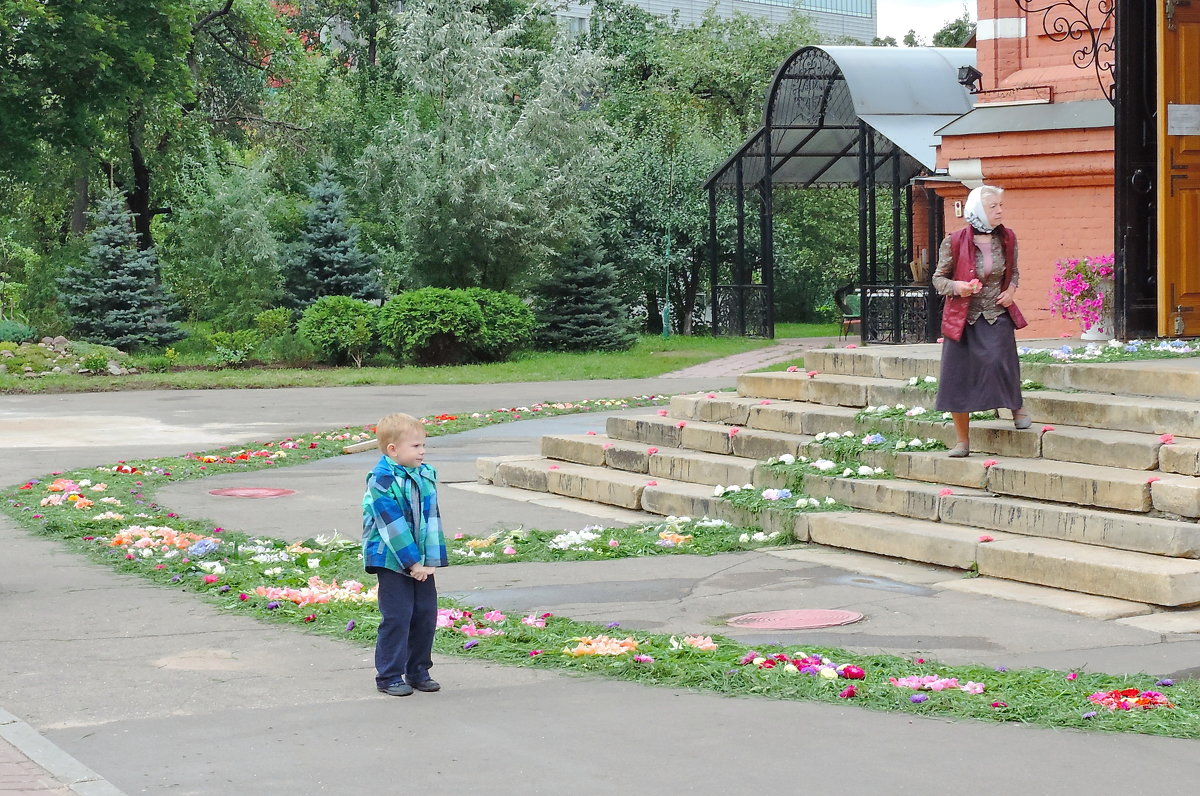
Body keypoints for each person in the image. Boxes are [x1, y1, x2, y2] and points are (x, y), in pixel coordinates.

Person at [932, 185, 1029, 458]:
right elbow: (939, 279)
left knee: (1001, 360)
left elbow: (1015, 273)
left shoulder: (1008, 238)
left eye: (1001, 206)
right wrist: (958, 286)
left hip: (995, 313)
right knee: (956, 377)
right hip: (962, 318)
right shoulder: (954, 240)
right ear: (977, 210)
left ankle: (1016, 407)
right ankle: (962, 441)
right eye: (993, 207)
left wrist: (1010, 292)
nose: (999, 210)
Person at [362, 412, 447, 696]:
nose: (422, 451)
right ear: (393, 450)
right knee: (398, 615)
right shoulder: (381, 480)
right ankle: (388, 675)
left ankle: (418, 670)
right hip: (389, 557)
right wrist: (412, 563)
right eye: (416, 446)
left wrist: (429, 561)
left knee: (425, 614)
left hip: (421, 561)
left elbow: (432, 518)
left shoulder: (425, 475)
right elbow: (391, 525)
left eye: (423, 445)